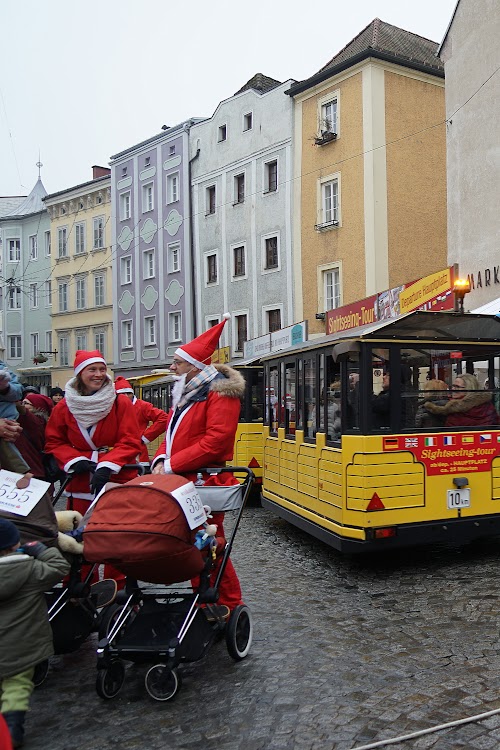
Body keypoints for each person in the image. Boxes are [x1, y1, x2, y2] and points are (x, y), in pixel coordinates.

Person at [151, 315, 245, 616]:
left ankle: (228, 602)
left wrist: (171, 464)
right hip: (182, 477)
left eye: (177, 363)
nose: (172, 368)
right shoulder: (190, 393)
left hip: (204, 480)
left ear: (193, 366)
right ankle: (201, 596)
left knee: (210, 543)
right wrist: (161, 459)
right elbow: (172, 432)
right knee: (191, 543)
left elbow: (216, 441)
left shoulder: (218, 393)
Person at [45, 350, 142, 585]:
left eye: (101, 369)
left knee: (115, 537)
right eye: (92, 370)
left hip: (115, 479)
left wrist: (107, 464)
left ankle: (116, 589)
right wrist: (75, 460)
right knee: (78, 538)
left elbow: (130, 440)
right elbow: (54, 441)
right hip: (81, 482)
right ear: (80, 374)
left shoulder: (119, 403)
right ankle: (78, 588)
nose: (98, 375)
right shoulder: (65, 406)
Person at [0, 518, 70, 748]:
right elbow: (60, 567)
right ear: (14, 544)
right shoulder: (31, 570)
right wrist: (41, 550)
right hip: (19, 645)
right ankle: (11, 731)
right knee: (16, 686)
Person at [114, 377, 168, 471]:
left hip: (139, 453)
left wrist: (144, 437)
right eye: (122, 393)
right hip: (115, 452)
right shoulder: (111, 407)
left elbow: (164, 418)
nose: (126, 396)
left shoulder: (142, 406)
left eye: (129, 393)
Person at [425, 373, 498, 427]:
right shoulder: (446, 405)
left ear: (469, 388)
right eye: (453, 386)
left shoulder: (486, 407)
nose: (453, 389)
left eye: (457, 387)